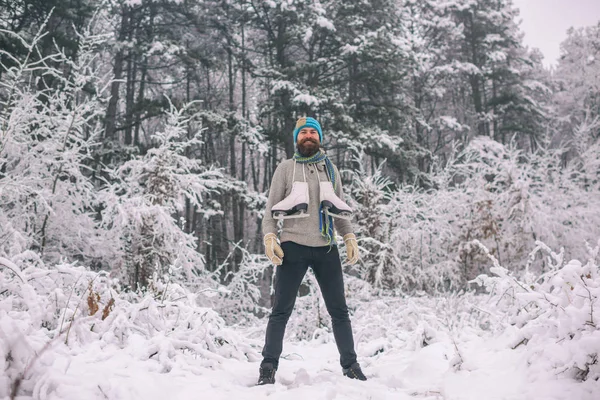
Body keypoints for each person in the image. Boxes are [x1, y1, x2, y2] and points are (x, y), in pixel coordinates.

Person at [257, 116, 367, 385]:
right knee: (281, 310)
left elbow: (339, 210)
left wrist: (349, 237)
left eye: (313, 132)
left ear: (320, 138)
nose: (308, 136)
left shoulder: (332, 171)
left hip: (326, 248)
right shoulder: (285, 168)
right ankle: (268, 366)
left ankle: (350, 366)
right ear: (296, 138)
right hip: (292, 246)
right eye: (303, 132)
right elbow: (270, 209)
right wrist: (270, 237)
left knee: (339, 311)